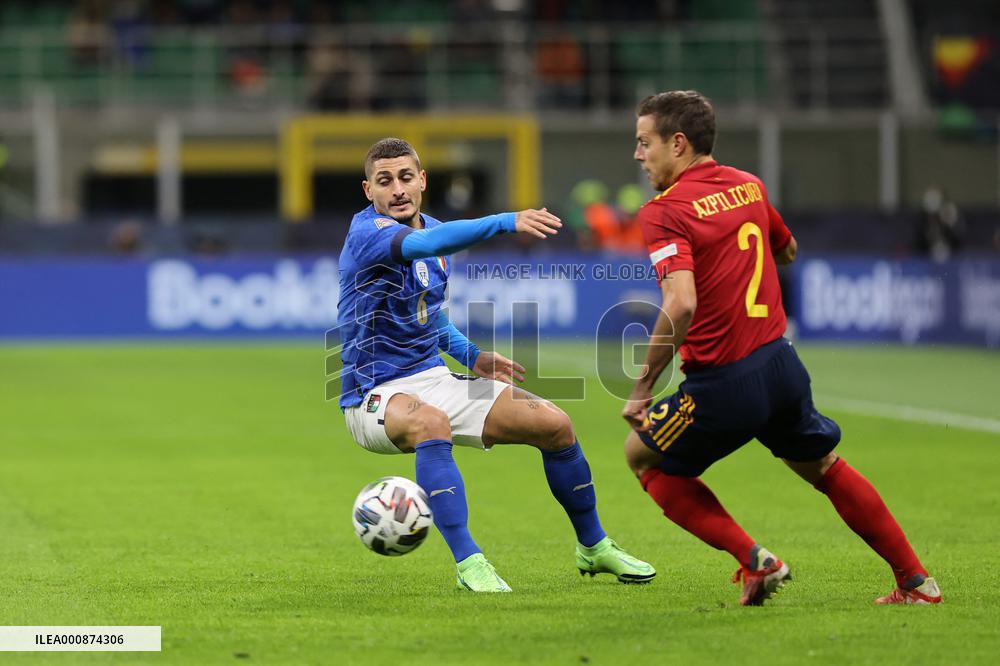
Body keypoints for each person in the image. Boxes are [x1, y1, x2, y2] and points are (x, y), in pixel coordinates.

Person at [622, 91, 941, 606]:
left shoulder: (665, 210)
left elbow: (680, 304)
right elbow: (787, 248)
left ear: (677, 144)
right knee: (824, 466)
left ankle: (757, 561)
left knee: (643, 456)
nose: (638, 155)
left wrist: (641, 388)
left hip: (724, 383)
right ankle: (916, 582)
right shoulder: (748, 186)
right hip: (781, 366)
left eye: (644, 143)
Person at [337, 138, 655, 592]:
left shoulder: (433, 234)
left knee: (555, 425)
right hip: (372, 397)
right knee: (431, 423)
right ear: (369, 190)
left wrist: (472, 356)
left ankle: (594, 547)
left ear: (422, 180)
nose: (397, 190)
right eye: (384, 181)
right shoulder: (368, 234)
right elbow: (429, 241)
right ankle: (470, 564)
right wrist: (506, 221)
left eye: (406, 177)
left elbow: (428, 310)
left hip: (433, 378)